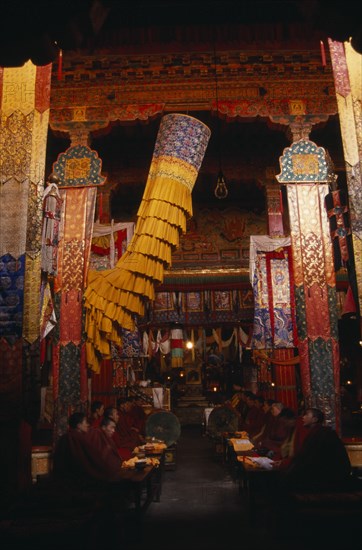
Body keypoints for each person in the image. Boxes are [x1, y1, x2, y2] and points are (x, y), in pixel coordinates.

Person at [282, 407, 352, 491]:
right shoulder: (315, 433)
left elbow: (309, 458)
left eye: (306, 415)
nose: (303, 417)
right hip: (324, 472)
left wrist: (288, 467)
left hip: (329, 476)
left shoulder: (322, 434)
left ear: (314, 419)